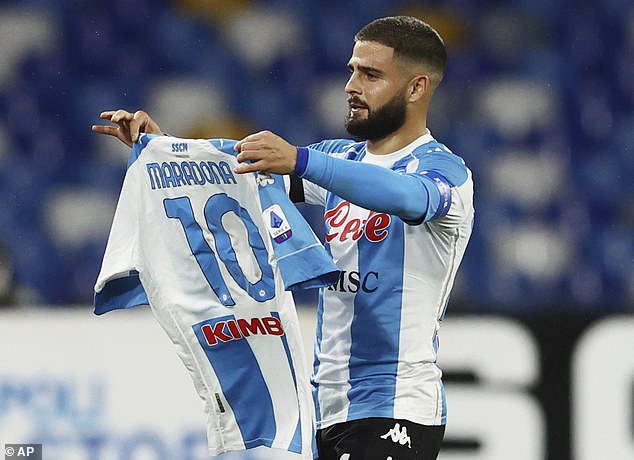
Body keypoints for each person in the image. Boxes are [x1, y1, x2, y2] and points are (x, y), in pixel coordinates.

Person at [93, 15, 474, 460]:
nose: (351, 85)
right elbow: (238, 177)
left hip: (397, 405)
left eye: (371, 75)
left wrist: (301, 160)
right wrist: (167, 154)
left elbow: (410, 197)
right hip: (325, 408)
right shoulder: (340, 158)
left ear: (416, 88)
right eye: (351, 70)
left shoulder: (445, 171)